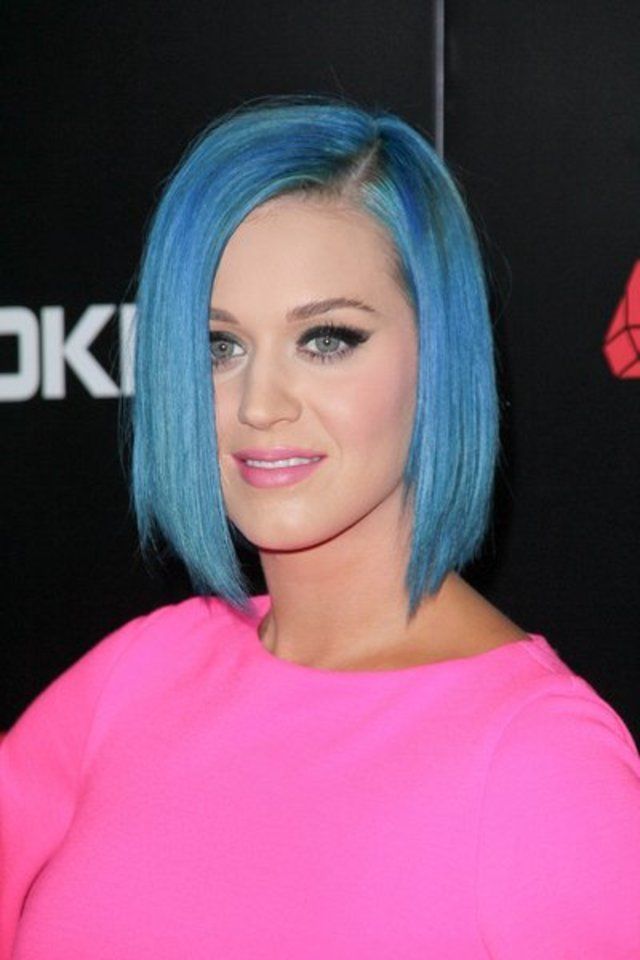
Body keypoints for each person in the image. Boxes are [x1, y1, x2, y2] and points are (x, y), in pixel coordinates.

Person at [1, 94, 639, 958]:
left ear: (439, 355)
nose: (260, 404)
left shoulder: (542, 766)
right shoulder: (138, 675)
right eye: (220, 346)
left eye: (327, 340)